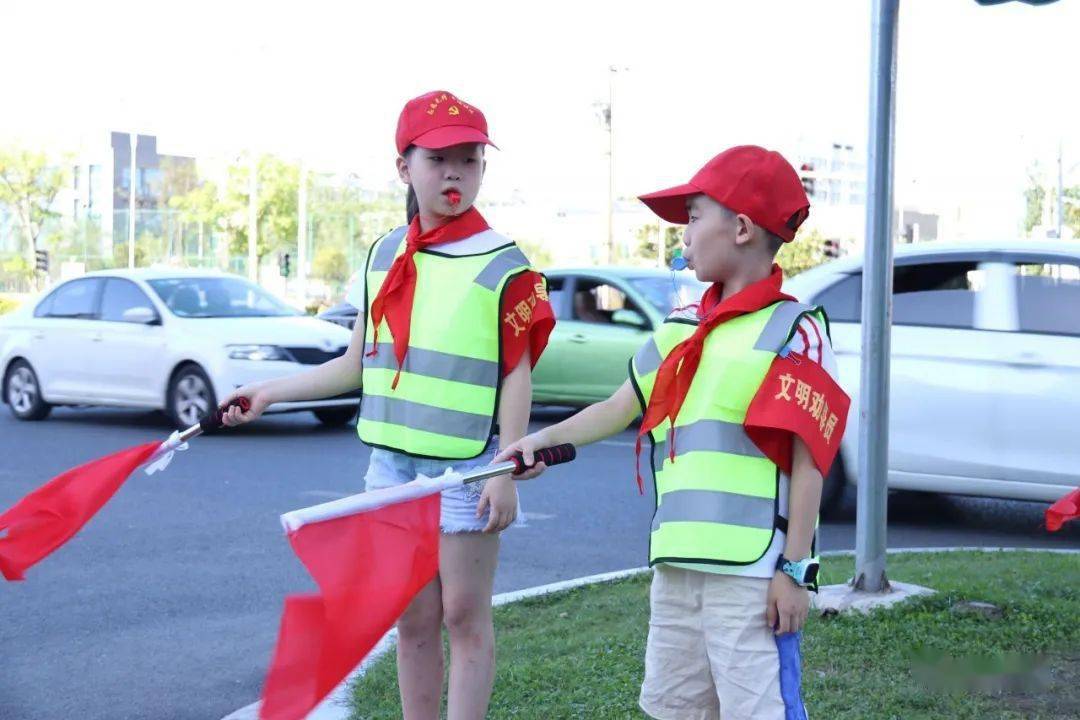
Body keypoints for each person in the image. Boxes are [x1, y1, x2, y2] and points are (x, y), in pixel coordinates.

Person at [220, 90, 554, 720]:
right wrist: (269, 392)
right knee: (413, 617)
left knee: (463, 614)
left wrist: (508, 467)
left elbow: (518, 373)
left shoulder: (507, 265)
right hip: (392, 470)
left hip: (468, 466)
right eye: (438, 159)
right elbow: (353, 366)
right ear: (405, 167)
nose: (454, 172)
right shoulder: (382, 255)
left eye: (469, 159)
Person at [497, 145, 849, 719]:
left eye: (691, 217)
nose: (681, 235)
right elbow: (619, 406)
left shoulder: (795, 331)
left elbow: (809, 462)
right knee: (673, 710)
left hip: (751, 578)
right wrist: (540, 440)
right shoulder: (680, 327)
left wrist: (794, 570)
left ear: (739, 228)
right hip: (677, 569)